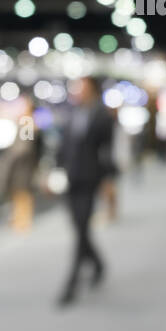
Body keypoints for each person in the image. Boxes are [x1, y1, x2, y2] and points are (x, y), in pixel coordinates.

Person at [56, 77, 113, 306]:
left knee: (81, 228)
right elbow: (63, 146)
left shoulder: (102, 115)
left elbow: (107, 150)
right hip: (71, 178)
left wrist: (109, 180)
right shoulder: (70, 114)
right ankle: (98, 263)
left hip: (91, 178)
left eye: (81, 87)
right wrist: (55, 172)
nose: (76, 91)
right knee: (78, 226)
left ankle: (72, 282)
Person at [0, 94, 39, 232]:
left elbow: (25, 147)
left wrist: (10, 157)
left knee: (22, 193)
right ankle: (19, 219)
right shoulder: (24, 121)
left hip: (22, 167)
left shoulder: (27, 122)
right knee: (17, 193)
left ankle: (23, 221)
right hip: (19, 165)